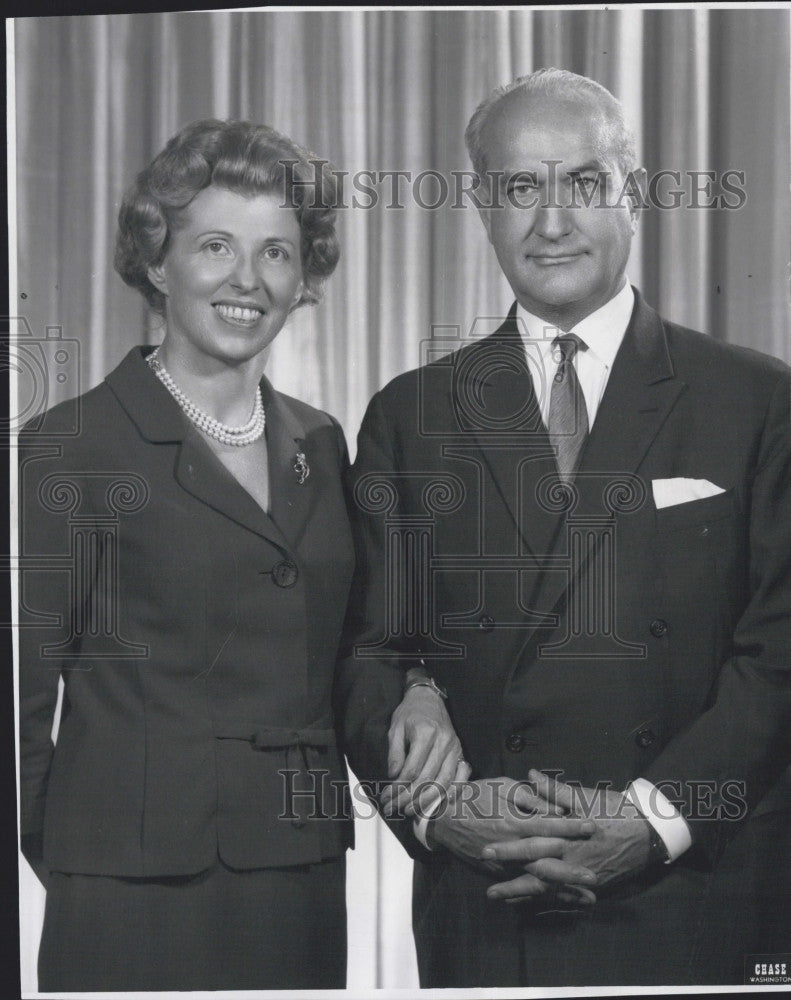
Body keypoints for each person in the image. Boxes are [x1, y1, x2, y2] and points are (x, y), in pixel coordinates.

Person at [338, 69, 791, 986]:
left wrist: (655, 819)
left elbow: (779, 647)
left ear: (634, 192)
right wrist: (438, 810)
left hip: (699, 888)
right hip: (489, 896)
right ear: (481, 205)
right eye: (519, 187)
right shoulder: (410, 413)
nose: (551, 221)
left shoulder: (757, 399)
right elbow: (368, 650)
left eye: (583, 182)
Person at [17, 119, 461, 992]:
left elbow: (358, 644)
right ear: (156, 260)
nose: (246, 280)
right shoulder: (71, 444)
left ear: (303, 280)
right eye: (215, 245)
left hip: (297, 874)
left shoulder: (323, 444)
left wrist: (421, 686)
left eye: (277, 255)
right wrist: (78, 857)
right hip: (128, 887)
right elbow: (18, 699)